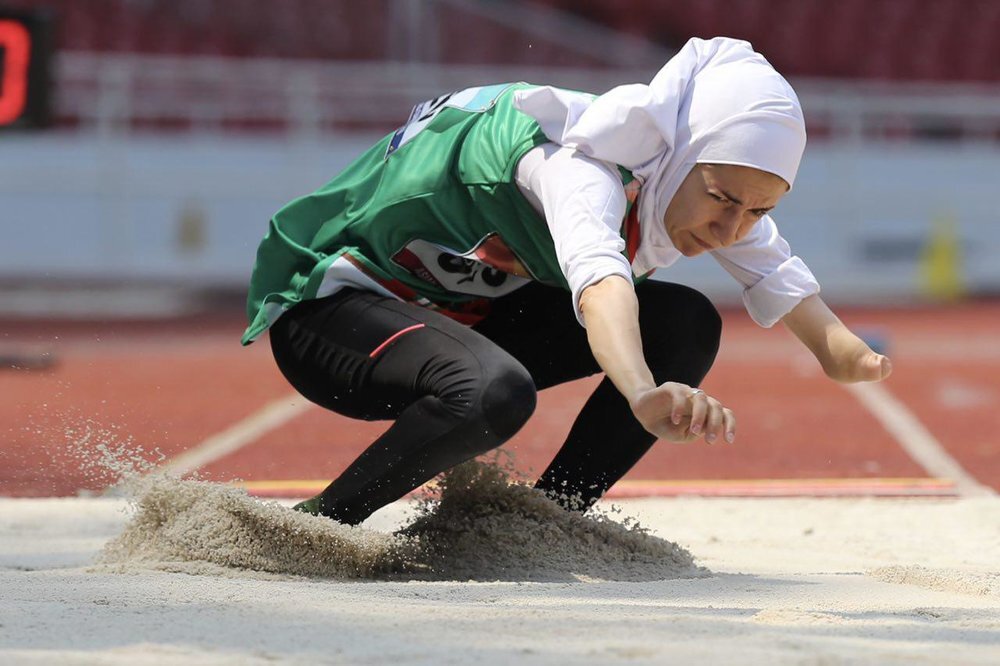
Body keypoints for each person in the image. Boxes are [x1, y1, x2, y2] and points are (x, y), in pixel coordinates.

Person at [242, 37, 892, 525]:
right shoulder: (579, 164)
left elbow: (789, 288)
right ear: (681, 153)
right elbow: (602, 289)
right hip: (331, 314)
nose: (731, 230)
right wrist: (642, 393)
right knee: (494, 394)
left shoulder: (700, 175)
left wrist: (853, 359)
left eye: (759, 210)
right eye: (723, 200)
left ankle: (539, 524)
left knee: (686, 322)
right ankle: (319, 526)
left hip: (453, 313)